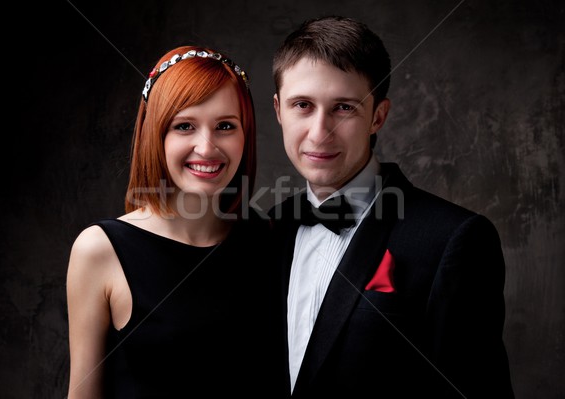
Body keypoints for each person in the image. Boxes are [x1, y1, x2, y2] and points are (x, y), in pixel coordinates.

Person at [268, 16, 515, 398]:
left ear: (378, 116)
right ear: (279, 110)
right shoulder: (265, 231)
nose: (320, 132)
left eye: (344, 108)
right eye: (302, 105)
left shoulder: (454, 240)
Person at [66, 45, 278, 398]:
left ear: (246, 136)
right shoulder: (101, 250)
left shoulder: (268, 240)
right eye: (185, 126)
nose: (207, 147)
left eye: (225, 126)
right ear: (156, 135)